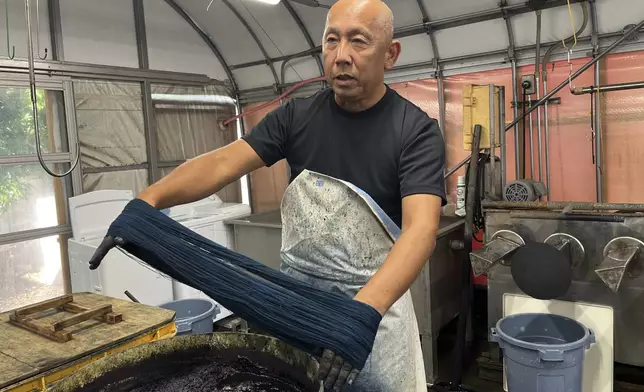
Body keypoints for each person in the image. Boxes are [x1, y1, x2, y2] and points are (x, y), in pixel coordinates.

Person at [89, 0, 446, 390]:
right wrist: (147, 202)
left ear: (390, 54)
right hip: (295, 309)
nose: (341, 56)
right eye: (331, 41)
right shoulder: (296, 118)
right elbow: (222, 163)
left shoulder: (415, 131)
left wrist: (360, 315)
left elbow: (419, 231)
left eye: (358, 42)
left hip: (371, 317)